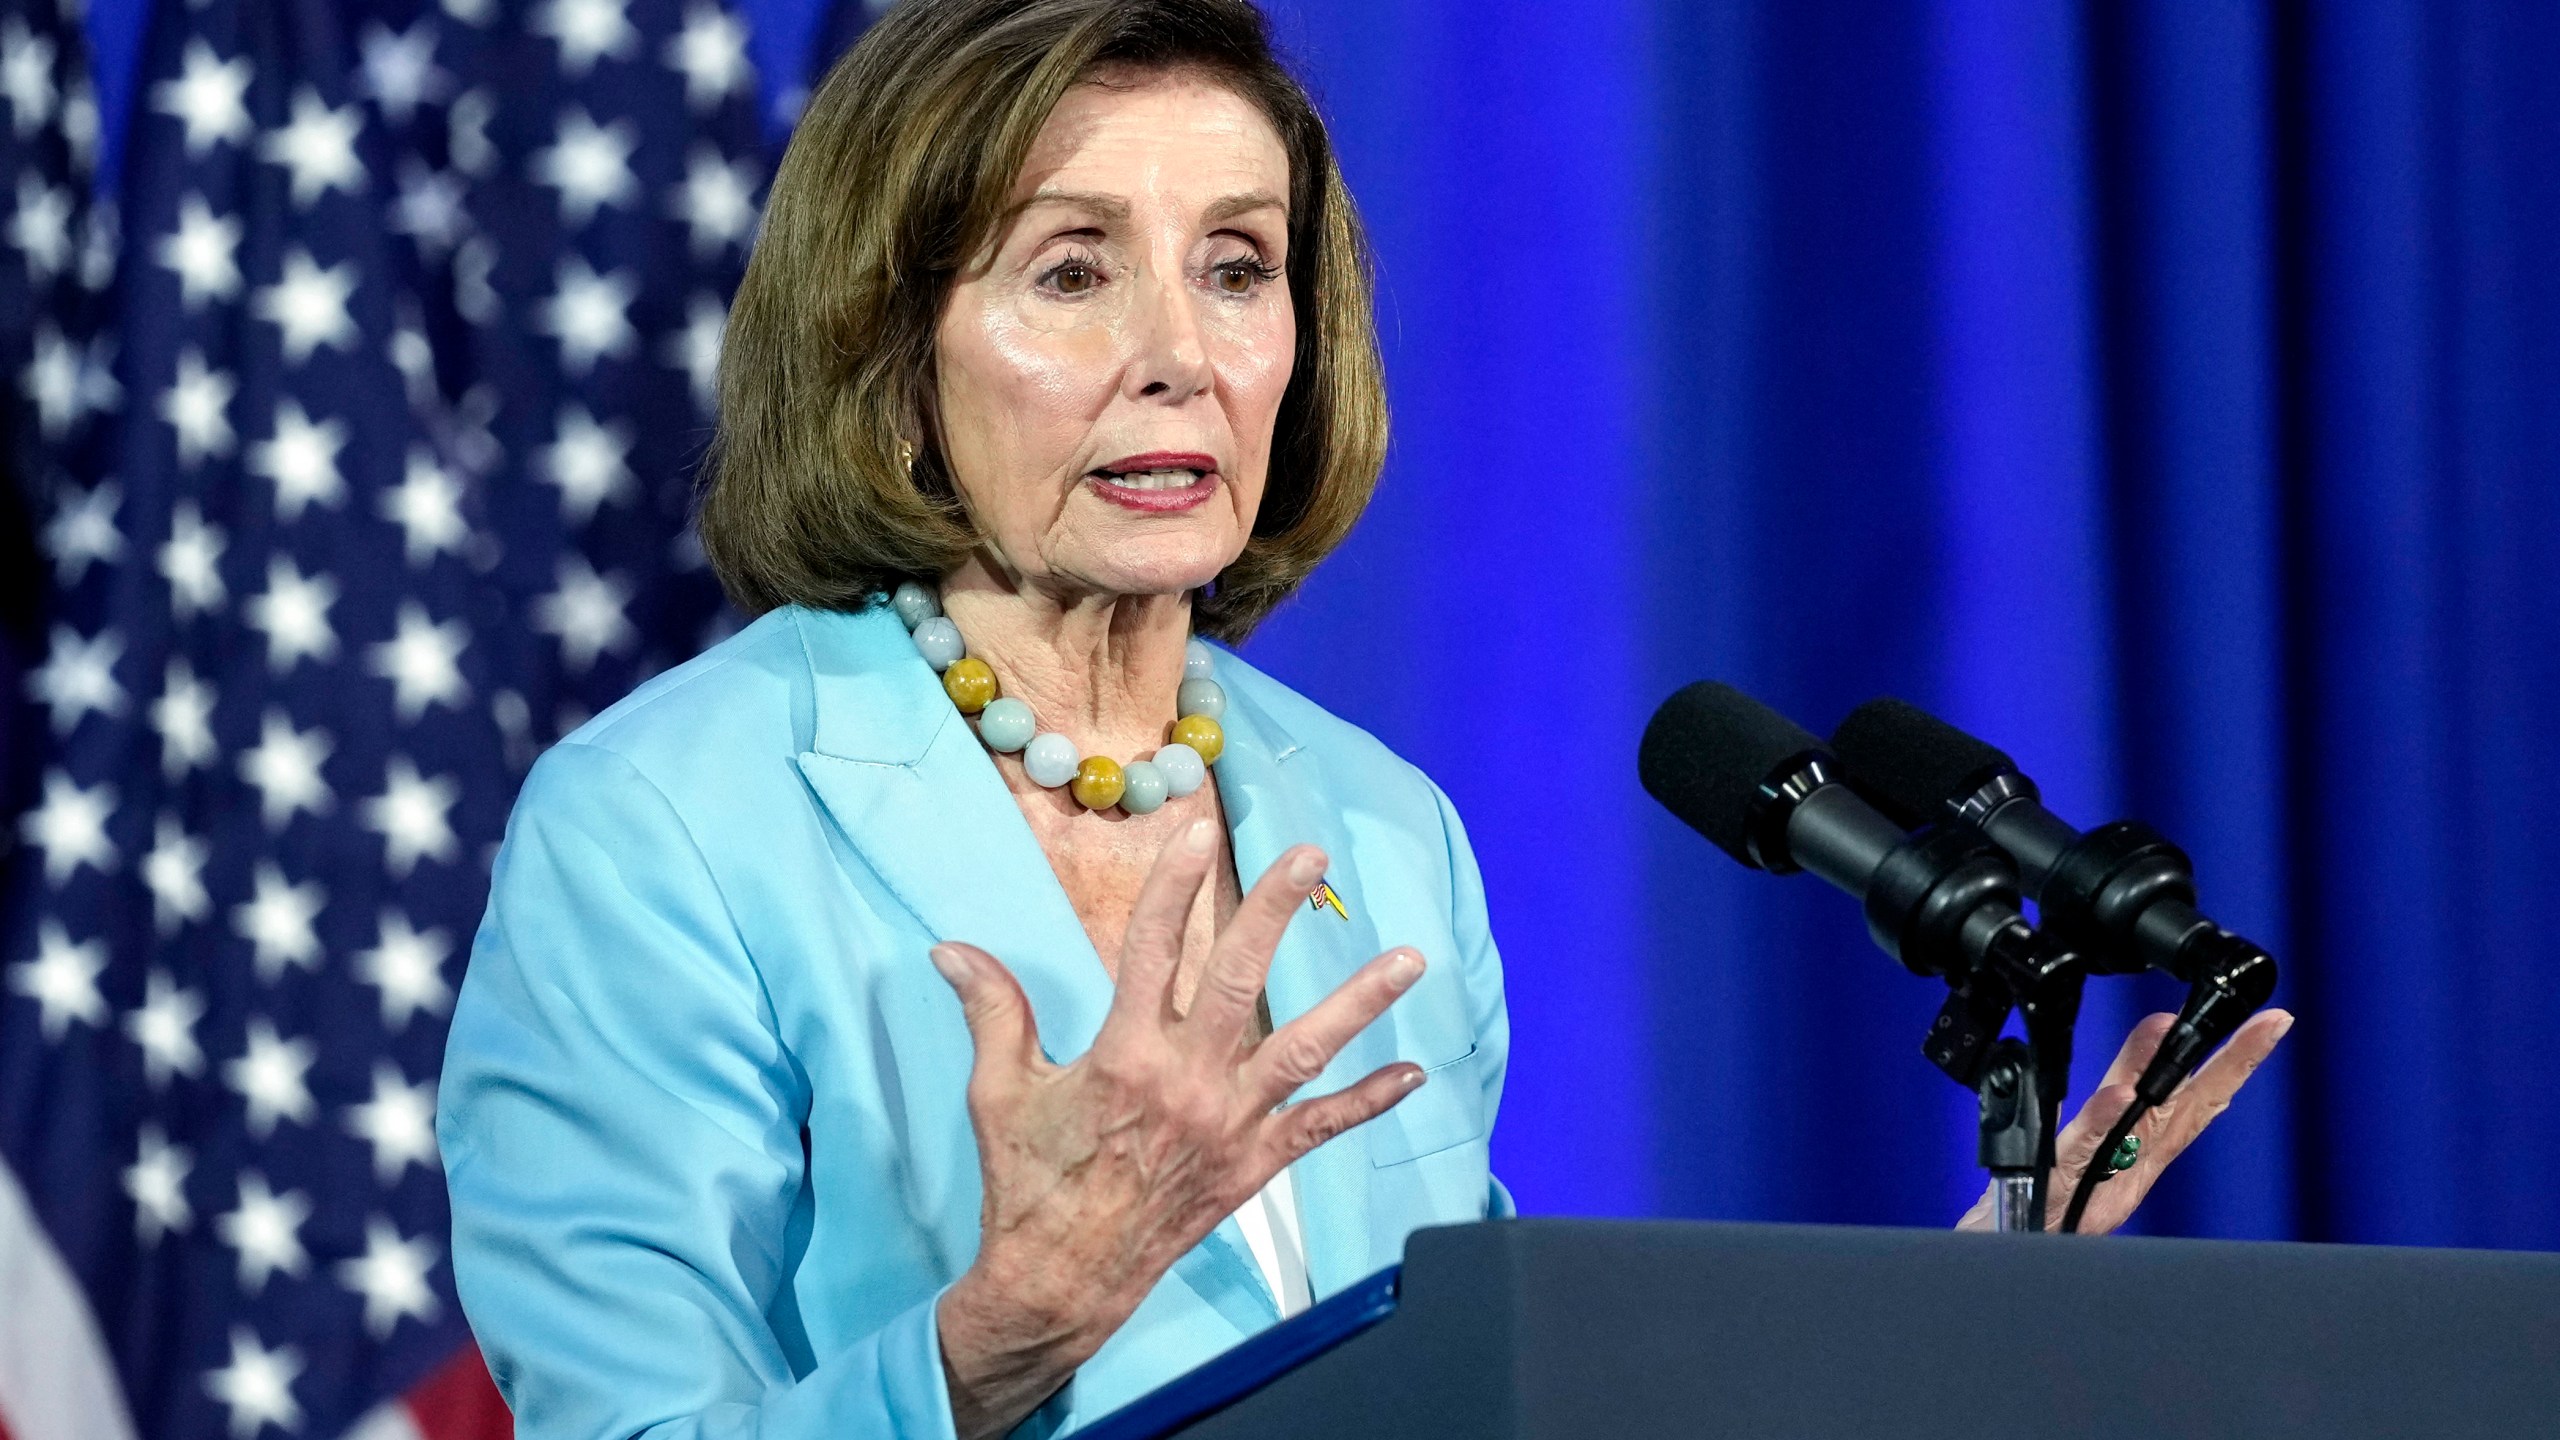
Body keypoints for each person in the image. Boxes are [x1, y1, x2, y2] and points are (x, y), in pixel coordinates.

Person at [436, 2, 2290, 1437]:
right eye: (1072, 268)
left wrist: (1967, 1320)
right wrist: (1013, 1327)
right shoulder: (663, 825)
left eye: (1239, 266)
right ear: (889, 351)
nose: (1180, 346)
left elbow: (1466, 1393)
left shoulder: (1376, 825)